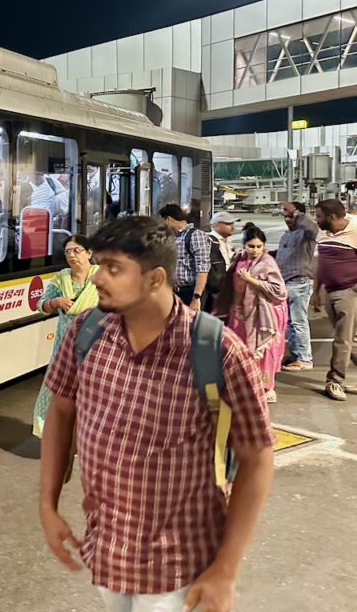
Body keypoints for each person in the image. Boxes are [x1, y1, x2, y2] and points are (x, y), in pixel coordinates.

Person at [39, 216, 275, 612]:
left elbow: (257, 457)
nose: (97, 277)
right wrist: (48, 504)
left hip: (181, 565)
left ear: (155, 278)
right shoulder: (87, 331)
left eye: (114, 268)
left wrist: (226, 569)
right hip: (108, 551)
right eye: (98, 264)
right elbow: (61, 412)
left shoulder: (217, 350)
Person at [31, 234, 98, 438]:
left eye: (77, 250)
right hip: (65, 345)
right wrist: (56, 303)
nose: (72, 255)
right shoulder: (61, 279)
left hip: (96, 345)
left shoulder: (102, 278)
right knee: (59, 390)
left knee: (91, 392)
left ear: (89, 253)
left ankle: (88, 436)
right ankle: (57, 434)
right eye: (68, 251)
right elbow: (40, 305)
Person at [213, 224, 288, 403]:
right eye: (251, 246)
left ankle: (266, 386)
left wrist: (251, 280)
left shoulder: (267, 262)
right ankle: (242, 383)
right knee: (240, 348)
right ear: (244, 245)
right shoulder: (239, 259)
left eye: (258, 246)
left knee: (265, 350)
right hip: (239, 310)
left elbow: (280, 290)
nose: (255, 250)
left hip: (263, 314)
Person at [312, 199, 357, 401]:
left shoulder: (355, 229)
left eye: (319, 216)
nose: (316, 220)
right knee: (350, 341)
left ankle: (334, 380)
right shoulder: (324, 232)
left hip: (348, 292)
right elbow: (322, 264)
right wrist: (316, 292)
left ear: (331, 217)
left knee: (342, 339)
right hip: (329, 292)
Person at [277, 202, 318, 371]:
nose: (288, 219)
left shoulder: (306, 234)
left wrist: (297, 214)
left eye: (290, 216)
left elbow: (314, 229)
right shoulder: (286, 235)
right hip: (286, 283)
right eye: (285, 217)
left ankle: (304, 358)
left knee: (298, 322)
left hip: (300, 282)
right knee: (289, 323)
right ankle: (295, 355)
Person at [159, 202, 210, 310]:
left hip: (191, 292)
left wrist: (196, 297)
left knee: (191, 325)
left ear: (168, 219)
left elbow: (202, 268)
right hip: (175, 292)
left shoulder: (195, 235)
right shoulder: (173, 237)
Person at [204, 210, 238, 312]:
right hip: (214, 290)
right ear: (216, 225)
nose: (233, 227)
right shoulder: (208, 241)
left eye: (232, 224)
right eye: (228, 224)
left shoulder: (226, 243)